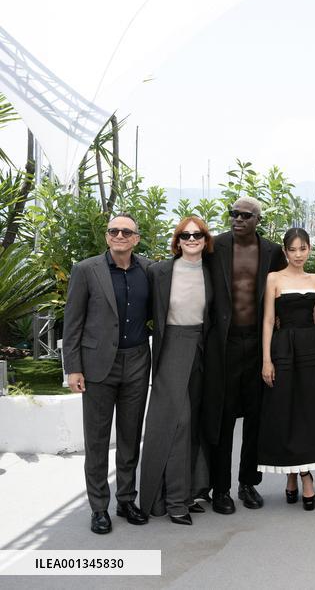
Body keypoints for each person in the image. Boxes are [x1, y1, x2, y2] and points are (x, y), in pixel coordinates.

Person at [63, 213, 152, 534]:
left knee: (130, 437)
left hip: (138, 362)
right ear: (106, 236)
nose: (119, 235)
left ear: (136, 238)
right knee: (98, 440)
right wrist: (72, 367)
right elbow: (72, 322)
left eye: (125, 231)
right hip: (98, 365)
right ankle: (99, 507)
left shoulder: (148, 270)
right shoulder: (86, 270)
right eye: (113, 230)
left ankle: (126, 499)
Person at [203, 197, 287, 514]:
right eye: (233, 214)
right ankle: (220, 489)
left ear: (257, 219)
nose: (237, 219)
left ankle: (247, 483)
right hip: (223, 344)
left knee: (255, 417)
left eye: (245, 215)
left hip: (257, 342)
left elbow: (283, 289)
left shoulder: (271, 251)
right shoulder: (215, 247)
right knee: (223, 418)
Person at [258, 228, 315, 511]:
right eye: (293, 249)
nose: (298, 254)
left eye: (303, 248)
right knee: (287, 408)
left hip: (314, 348)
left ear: (309, 249)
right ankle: (299, 475)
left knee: (312, 411)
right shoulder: (274, 279)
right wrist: (266, 359)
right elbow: (269, 320)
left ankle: (298, 475)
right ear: (285, 251)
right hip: (284, 348)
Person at [140, 217, 214, 525]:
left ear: (205, 239)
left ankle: (190, 493)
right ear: (177, 240)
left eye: (197, 234)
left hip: (202, 350)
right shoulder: (159, 272)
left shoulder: (212, 272)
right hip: (172, 347)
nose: (192, 239)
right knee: (178, 423)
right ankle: (172, 501)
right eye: (186, 234)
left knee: (196, 422)